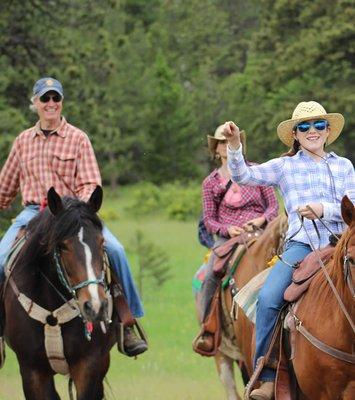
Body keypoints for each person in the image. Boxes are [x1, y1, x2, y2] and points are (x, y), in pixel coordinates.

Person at [0, 77, 147, 357]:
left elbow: (91, 183)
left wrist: (75, 209)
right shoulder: (22, 142)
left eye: (56, 98)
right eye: (45, 99)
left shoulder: (78, 138)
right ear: (35, 103)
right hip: (33, 213)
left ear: (62, 102)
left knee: (116, 250)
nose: (51, 104)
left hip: (71, 216)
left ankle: (127, 322)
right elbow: (4, 188)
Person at [223, 101, 355, 400]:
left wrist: (325, 209)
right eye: (304, 127)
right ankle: (267, 375)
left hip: (343, 244)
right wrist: (234, 147)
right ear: (295, 134)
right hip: (303, 246)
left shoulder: (344, 166)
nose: (312, 131)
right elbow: (244, 177)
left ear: (328, 130)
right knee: (269, 298)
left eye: (318, 125)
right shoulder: (285, 166)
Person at [194, 125, 279, 353]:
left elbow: (273, 206)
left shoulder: (257, 171)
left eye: (229, 141)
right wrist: (227, 229)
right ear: (216, 149)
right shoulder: (210, 183)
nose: (225, 145)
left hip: (261, 233)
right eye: (221, 142)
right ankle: (208, 328)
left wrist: (261, 220)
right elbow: (209, 220)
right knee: (211, 273)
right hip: (228, 238)